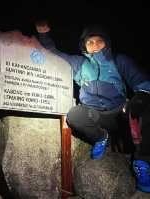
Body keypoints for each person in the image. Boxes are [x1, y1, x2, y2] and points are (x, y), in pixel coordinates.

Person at [35, 20, 150, 193]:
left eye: (99, 41)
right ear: (84, 46)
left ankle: (142, 162)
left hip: (119, 112)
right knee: (74, 115)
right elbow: (55, 54)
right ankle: (101, 137)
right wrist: (43, 35)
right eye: (90, 42)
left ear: (106, 43)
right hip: (94, 115)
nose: (94, 45)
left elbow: (142, 81)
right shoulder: (80, 64)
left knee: (145, 107)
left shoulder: (118, 60)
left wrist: (141, 95)